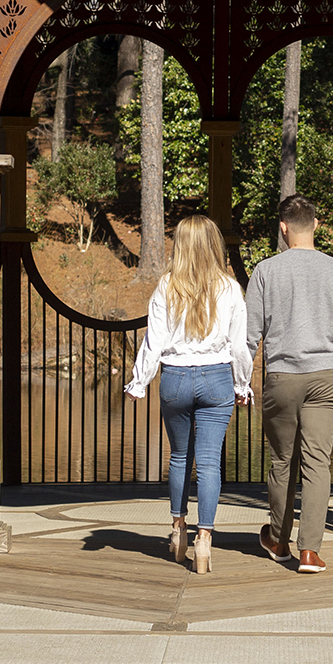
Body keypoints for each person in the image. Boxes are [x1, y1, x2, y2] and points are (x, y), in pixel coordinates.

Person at [246, 193, 333, 574]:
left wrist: (241, 377)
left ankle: (279, 541)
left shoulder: (266, 271)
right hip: (326, 377)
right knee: (318, 462)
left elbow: (250, 335)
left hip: (281, 376)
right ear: (315, 225)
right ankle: (310, 551)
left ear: (283, 229)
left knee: (283, 461)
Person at [124, 214, 251, 574]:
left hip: (175, 378)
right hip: (217, 379)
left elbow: (154, 342)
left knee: (180, 457)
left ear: (179, 245)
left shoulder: (166, 286)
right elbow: (239, 347)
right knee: (209, 462)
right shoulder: (229, 288)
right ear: (214, 245)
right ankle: (205, 539)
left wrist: (139, 382)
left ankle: (178, 529)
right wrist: (242, 385)